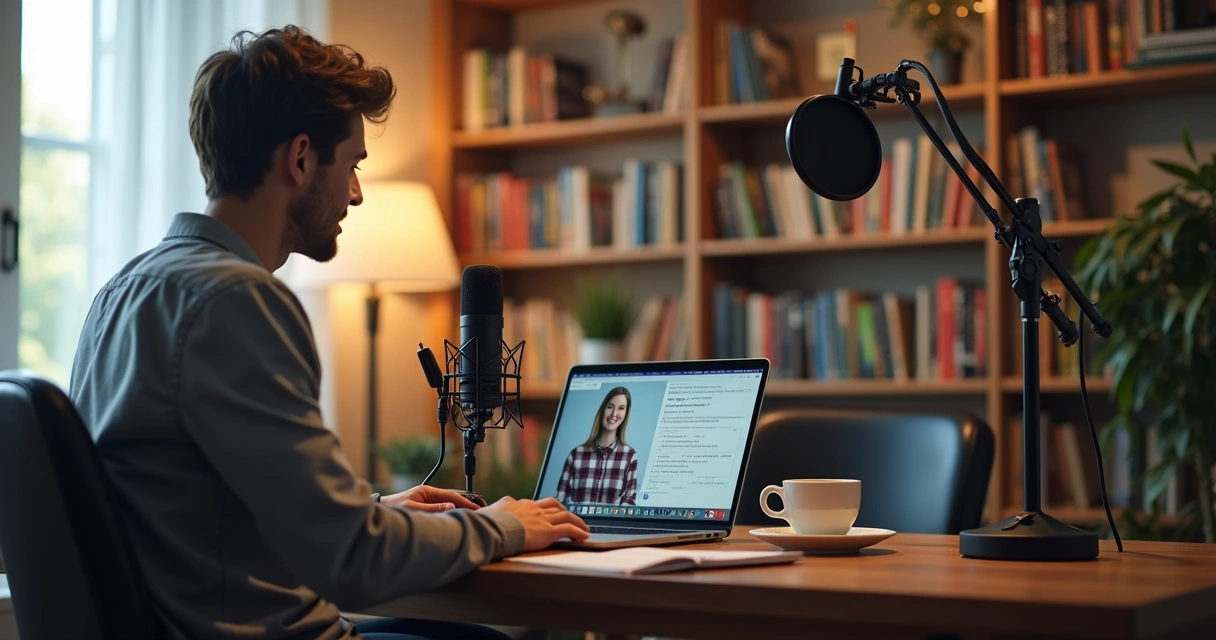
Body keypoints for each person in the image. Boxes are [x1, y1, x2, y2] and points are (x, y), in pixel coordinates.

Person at [68, 26, 588, 640]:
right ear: (301, 158)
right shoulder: (237, 300)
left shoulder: (121, 292)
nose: (357, 193)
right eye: (354, 166)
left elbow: (195, 508)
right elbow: (353, 562)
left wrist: (369, 512)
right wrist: (504, 525)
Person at [554, 387, 639, 506]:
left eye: (621, 408)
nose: (614, 414)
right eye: (610, 407)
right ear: (602, 409)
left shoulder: (630, 456)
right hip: (576, 524)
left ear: (625, 414)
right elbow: (560, 501)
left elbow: (629, 500)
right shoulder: (576, 455)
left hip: (612, 524)